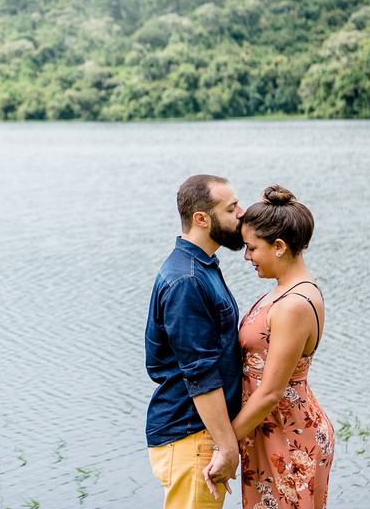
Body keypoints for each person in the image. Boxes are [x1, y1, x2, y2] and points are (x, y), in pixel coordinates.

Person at [221, 185, 334, 509]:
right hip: (271, 429)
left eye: (252, 248)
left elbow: (271, 392)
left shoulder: (293, 304)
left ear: (280, 246)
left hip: (289, 434)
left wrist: (225, 444)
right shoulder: (285, 290)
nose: (246, 256)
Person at [145, 174, 246, 508]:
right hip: (191, 433)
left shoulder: (201, 266)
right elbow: (199, 373)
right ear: (202, 219)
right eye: (231, 208)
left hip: (200, 433)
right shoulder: (187, 279)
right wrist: (226, 445)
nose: (242, 214)